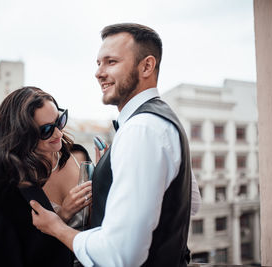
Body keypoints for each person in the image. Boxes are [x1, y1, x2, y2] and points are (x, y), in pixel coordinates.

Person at [30, 23, 197, 266]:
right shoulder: (162, 118)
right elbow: (190, 203)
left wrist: (58, 227)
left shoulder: (141, 130)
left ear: (147, 66)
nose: (99, 73)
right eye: (98, 63)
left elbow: (120, 255)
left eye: (111, 62)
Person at [0, 87, 92, 267]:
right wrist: (63, 216)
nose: (58, 133)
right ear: (21, 134)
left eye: (59, 121)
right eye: (46, 130)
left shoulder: (78, 157)